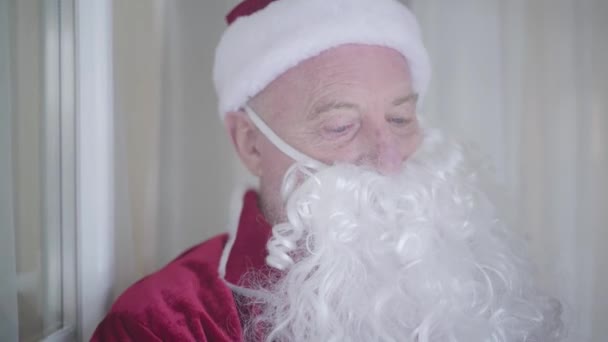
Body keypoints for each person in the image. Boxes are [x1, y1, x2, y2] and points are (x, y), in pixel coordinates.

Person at [92, 0, 564, 341]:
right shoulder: (164, 324)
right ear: (251, 143)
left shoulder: (470, 282)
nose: (388, 158)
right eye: (340, 126)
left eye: (400, 118)